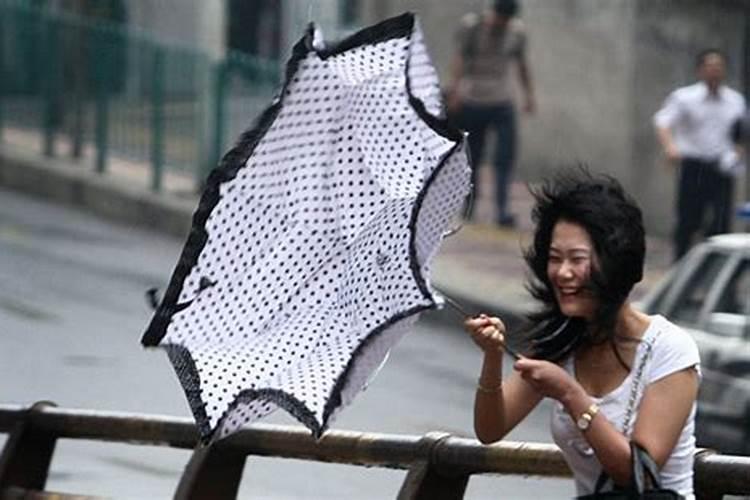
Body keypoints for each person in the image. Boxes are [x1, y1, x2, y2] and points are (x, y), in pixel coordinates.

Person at [464, 170, 701, 498]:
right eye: (554, 259)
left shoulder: (669, 349)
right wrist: (492, 357)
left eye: (577, 259)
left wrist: (571, 394)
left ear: (615, 263)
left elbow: (637, 474)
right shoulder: (561, 340)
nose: (563, 273)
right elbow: (490, 429)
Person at [447, 0, 536, 227]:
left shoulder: (516, 33)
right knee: (473, 156)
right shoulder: (472, 27)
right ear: (492, 13)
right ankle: (470, 204)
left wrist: (529, 95)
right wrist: (455, 91)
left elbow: (522, 64)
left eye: (505, 21)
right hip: (473, 99)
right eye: (498, 18)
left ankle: (502, 210)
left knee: (505, 156)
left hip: (502, 100)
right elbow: (459, 58)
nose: (501, 24)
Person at [653, 49, 746, 261]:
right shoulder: (685, 97)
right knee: (689, 218)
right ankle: (680, 265)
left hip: (722, 167)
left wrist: (738, 152)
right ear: (700, 70)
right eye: (710, 66)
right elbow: (663, 121)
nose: (715, 71)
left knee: (721, 221)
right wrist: (670, 147)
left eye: (719, 67)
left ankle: (715, 268)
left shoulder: (735, 100)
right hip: (693, 165)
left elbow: (740, 133)